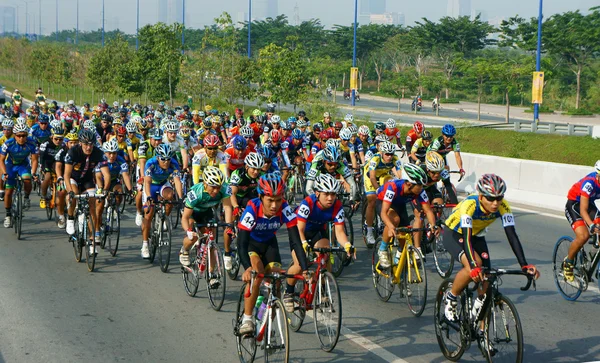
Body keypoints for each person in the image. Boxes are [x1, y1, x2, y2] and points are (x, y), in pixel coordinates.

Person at [442, 174, 539, 322]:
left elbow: (512, 236)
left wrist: (524, 265)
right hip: (455, 233)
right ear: (481, 196)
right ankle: (452, 297)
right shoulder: (470, 205)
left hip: (477, 235)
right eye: (490, 198)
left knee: (487, 283)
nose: (495, 203)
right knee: (475, 265)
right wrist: (473, 266)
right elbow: (467, 238)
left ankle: (482, 334)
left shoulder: (503, 206)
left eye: (499, 198)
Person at [237, 173, 309, 335]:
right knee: (257, 272)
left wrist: (304, 269)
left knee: (275, 281)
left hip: (269, 244)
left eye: (278, 199)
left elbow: (296, 241)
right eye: (270, 200)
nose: (275, 205)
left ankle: (266, 320)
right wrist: (247, 268)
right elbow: (241, 244)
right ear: (261, 197)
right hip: (251, 244)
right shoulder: (252, 209)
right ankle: (247, 319)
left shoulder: (285, 209)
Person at [288, 173, 353, 311]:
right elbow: (299, 229)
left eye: (333, 194)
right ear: (317, 193)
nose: (330, 198)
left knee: (326, 254)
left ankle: (323, 290)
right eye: (326, 194)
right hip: (300, 232)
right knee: (300, 264)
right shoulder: (308, 203)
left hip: (317, 231)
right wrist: (304, 243)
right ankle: (289, 291)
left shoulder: (337, 206)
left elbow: (340, 232)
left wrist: (347, 245)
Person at [376, 164, 438, 267]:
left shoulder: (419, 191)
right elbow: (383, 212)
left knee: (404, 233)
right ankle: (382, 249)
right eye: (419, 185)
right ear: (409, 184)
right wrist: (391, 227)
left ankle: (398, 259)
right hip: (383, 202)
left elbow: (428, 210)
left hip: (399, 204)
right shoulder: (393, 187)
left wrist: (433, 225)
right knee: (394, 220)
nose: (422, 188)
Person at [64, 129, 110, 252]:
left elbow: (107, 175)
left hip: (87, 179)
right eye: (85, 144)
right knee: (74, 196)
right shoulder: (73, 152)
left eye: (91, 144)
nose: (88, 147)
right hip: (73, 178)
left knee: (92, 207)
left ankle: (92, 240)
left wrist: (104, 190)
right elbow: (66, 175)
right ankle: (70, 218)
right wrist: (69, 191)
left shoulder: (99, 153)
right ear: (80, 143)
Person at [141, 143, 183, 258]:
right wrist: (149, 196)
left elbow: (177, 181)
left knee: (170, 196)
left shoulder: (174, 164)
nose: (166, 162)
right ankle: (145, 244)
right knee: (148, 214)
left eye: (168, 159)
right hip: (151, 186)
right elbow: (147, 182)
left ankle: (165, 218)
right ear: (158, 157)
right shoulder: (150, 163)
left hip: (163, 184)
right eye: (163, 159)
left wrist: (180, 198)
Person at [562, 161, 600, 281]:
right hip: (574, 205)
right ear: (598, 175)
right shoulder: (589, 183)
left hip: (589, 204)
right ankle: (568, 262)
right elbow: (583, 210)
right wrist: (592, 225)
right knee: (583, 236)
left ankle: (593, 255)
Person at [363, 141, 403, 246]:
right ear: (382, 153)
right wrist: (377, 190)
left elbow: (400, 175)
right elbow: (372, 177)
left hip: (383, 175)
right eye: (387, 154)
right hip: (370, 177)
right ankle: (369, 231)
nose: (389, 157)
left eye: (391, 154)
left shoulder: (395, 159)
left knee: (391, 184)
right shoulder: (375, 159)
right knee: (372, 200)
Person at [0, 122, 39, 227]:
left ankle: (26, 197)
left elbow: (35, 160)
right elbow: (1, 160)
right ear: (14, 135)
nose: (21, 138)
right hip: (10, 166)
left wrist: (34, 172)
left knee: (27, 178)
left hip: (23, 165)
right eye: (19, 136)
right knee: (9, 191)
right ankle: (8, 215)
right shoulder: (8, 144)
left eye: (24, 135)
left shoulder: (32, 143)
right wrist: (4, 173)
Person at [428, 124, 463, 204]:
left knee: (447, 169)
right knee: (438, 171)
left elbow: (457, 156)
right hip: (431, 156)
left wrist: (461, 168)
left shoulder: (455, 143)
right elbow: (433, 154)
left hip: (442, 156)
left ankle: (445, 188)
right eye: (447, 136)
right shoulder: (438, 141)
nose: (449, 138)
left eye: (451, 136)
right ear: (443, 135)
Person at [38, 126, 65, 209]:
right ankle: (43, 196)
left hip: (57, 162)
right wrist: (42, 168)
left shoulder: (64, 145)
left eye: (60, 139)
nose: (58, 141)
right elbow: (41, 156)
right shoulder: (45, 143)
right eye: (56, 139)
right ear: (52, 136)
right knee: (48, 176)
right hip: (46, 162)